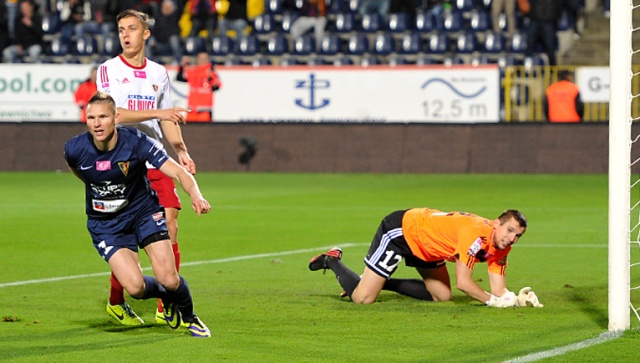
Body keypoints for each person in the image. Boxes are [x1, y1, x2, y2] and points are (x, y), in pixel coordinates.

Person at [64, 91, 211, 338]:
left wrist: (196, 195)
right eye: (91, 118)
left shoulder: (137, 142)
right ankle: (167, 298)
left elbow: (179, 172)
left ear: (116, 118)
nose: (97, 123)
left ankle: (189, 316)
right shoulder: (75, 149)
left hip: (143, 213)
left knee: (169, 278)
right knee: (134, 287)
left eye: (103, 117)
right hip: (106, 225)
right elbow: (82, 175)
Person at [97, 9, 195, 327]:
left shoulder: (158, 73)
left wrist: (181, 150)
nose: (126, 34)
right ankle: (116, 301)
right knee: (126, 237)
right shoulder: (108, 69)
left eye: (132, 29)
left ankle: (167, 301)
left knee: (171, 224)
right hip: (124, 164)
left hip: (155, 159)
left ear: (145, 34)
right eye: (121, 29)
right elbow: (117, 115)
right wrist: (160, 111)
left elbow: (167, 119)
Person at [309, 208, 543, 308]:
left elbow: (498, 288)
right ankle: (332, 261)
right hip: (403, 231)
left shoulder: (502, 247)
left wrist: (515, 298)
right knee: (362, 299)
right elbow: (464, 283)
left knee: (441, 296)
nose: (512, 238)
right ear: (496, 223)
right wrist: (492, 301)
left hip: (429, 247)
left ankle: (380, 281)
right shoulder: (475, 234)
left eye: (518, 236)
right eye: (509, 231)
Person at [175, 52, 222, 122]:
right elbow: (180, 77)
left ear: (207, 60)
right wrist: (182, 65)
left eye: (203, 59)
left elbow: (217, 86)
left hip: (204, 111)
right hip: (191, 110)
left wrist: (210, 78)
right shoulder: (193, 71)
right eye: (200, 58)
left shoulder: (210, 71)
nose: (201, 60)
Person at [524, 0, 562, 66]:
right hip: (534, 19)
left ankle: (553, 71)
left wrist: (554, 16)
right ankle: (527, 68)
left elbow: (558, 5)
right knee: (529, 46)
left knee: (550, 48)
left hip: (548, 21)